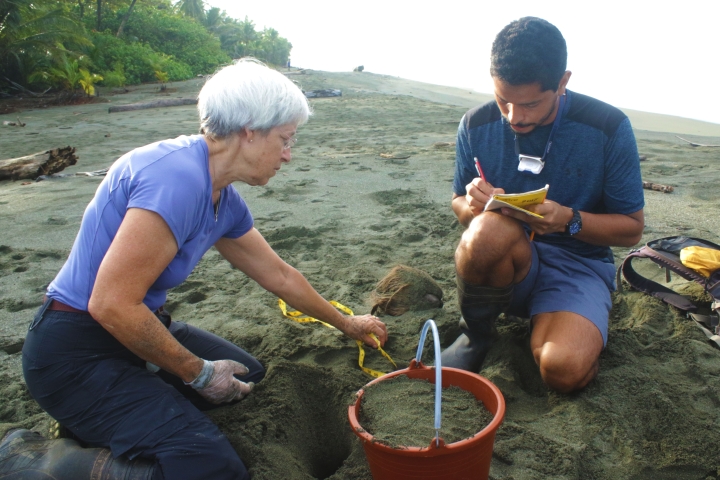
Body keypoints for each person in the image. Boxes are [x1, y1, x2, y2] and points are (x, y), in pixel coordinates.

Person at [12, 58, 388, 480]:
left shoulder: (221, 196)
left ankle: (117, 419)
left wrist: (346, 323)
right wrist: (199, 372)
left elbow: (279, 275)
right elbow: (110, 303)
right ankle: (37, 461)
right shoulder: (175, 178)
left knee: (251, 378)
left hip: (133, 333)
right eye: (285, 139)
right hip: (75, 352)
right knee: (208, 465)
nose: (288, 155)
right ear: (249, 131)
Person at [440, 17, 644, 393]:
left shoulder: (607, 126)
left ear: (563, 82)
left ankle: (566, 323)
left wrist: (571, 220)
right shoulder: (475, 124)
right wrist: (472, 205)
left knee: (562, 370)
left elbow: (632, 229)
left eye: (531, 103)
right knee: (485, 230)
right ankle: (477, 335)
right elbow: (458, 204)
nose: (515, 117)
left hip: (579, 266)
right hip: (509, 260)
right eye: (504, 100)